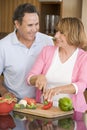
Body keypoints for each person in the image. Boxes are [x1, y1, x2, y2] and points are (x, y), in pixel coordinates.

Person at [27, 17, 87, 112]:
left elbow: (82, 85)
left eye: (61, 33)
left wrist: (58, 90)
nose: (56, 35)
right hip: (45, 109)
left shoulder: (83, 57)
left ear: (73, 34)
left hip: (72, 111)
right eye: (57, 31)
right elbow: (29, 79)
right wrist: (38, 77)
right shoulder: (47, 51)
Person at [0, 3, 54, 99]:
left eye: (36, 24)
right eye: (30, 25)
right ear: (17, 24)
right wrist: (4, 93)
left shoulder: (47, 41)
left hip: (42, 103)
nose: (34, 29)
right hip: (15, 104)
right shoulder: (3, 46)